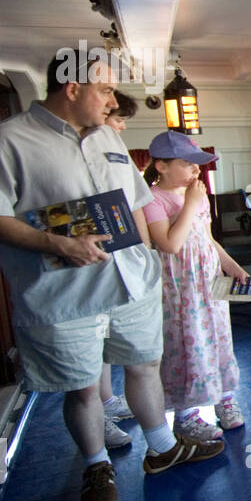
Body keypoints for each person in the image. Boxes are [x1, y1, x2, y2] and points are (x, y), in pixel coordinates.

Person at [0, 49, 224, 501]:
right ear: (72, 87)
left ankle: (162, 448)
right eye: (105, 89)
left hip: (130, 285)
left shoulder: (108, 138)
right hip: (67, 293)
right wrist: (57, 244)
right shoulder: (6, 142)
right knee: (84, 387)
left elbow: (135, 202)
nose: (112, 100)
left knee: (144, 366)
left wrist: (147, 263)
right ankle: (96, 464)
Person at [142, 131, 247, 441]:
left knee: (218, 337)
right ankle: (186, 415)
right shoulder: (152, 199)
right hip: (179, 290)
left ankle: (224, 398)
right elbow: (170, 244)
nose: (195, 171)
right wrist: (190, 203)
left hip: (209, 283)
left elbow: (207, 237)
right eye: (187, 165)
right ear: (161, 166)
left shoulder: (196, 196)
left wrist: (231, 265)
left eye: (196, 165)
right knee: (186, 343)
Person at [96, 90, 139, 445]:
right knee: (93, 344)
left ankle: (107, 400)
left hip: (122, 264)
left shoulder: (117, 153)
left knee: (108, 341)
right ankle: (97, 417)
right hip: (87, 269)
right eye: (118, 118)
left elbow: (135, 202)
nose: (121, 126)